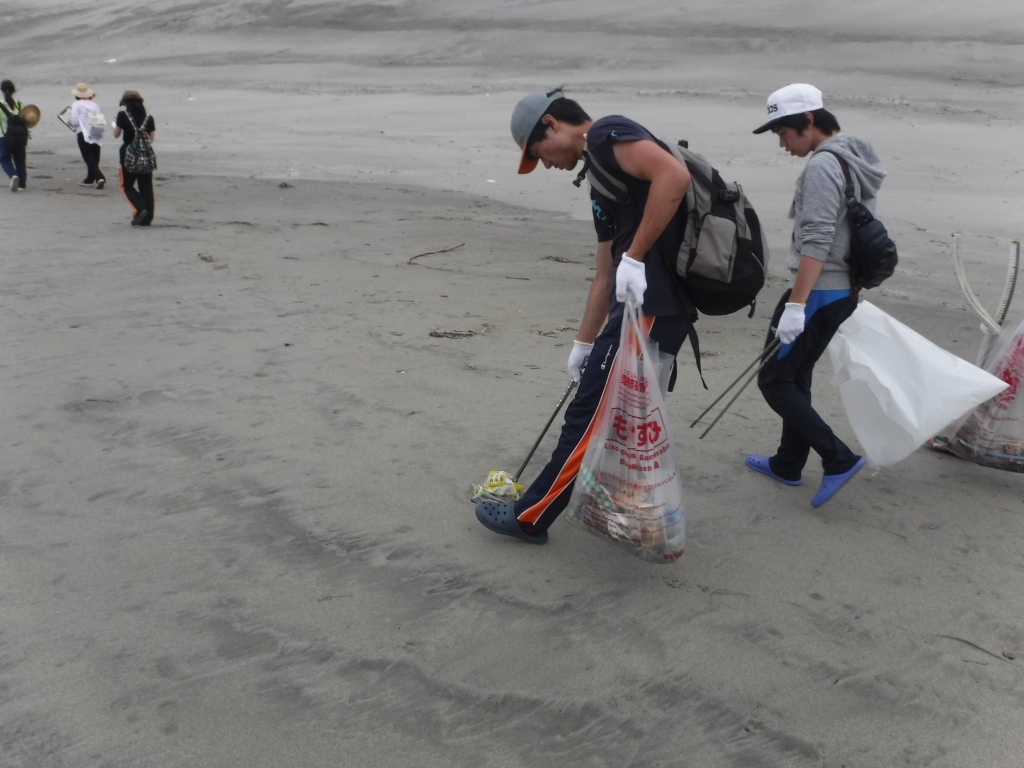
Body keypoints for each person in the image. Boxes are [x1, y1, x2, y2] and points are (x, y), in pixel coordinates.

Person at [474, 87, 697, 544]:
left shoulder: (607, 134)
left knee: (589, 414)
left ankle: (531, 516)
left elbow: (673, 177)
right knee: (624, 416)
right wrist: (583, 343)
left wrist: (636, 257)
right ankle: (636, 515)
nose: (547, 164)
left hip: (650, 307)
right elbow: (602, 274)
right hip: (641, 308)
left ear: (553, 123)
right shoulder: (598, 180)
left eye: (540, 151)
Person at [746, 83, 886, 507]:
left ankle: (837, 458)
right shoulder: (854, 159)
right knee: (795, 375)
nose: (783, 143)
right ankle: (788, 463)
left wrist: (795, 304)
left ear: (808, 121)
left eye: (784, 132)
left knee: (773, 380)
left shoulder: (824, 167)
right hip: (843, 291)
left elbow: (818, 239)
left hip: (819, 292)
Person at [112, 90, 156, 226]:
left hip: (128, 154)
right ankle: (148, 218)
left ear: (125, 103)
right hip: (146, 155)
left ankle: (140, 209)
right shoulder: (149, 117)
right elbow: (151, 138)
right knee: (146, 186)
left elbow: (116, 135)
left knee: (127, 186)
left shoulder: (123, 115)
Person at [69, 82, 106, 189]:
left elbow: (75, 122)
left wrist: (70, 123)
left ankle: (99, 177)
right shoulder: (94, 105)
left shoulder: (77, 104)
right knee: (95, 156)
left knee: (88, 157)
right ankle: (90, 179)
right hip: (95, 131)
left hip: (83, 133)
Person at [0, 79, 28, 192]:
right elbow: (27, 121)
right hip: (20, 137)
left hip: (4, 136)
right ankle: (22, 184)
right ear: (13, 91)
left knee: (4, 159)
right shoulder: (20, 105)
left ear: (2, 90)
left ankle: (13, 175)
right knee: (20, 160)